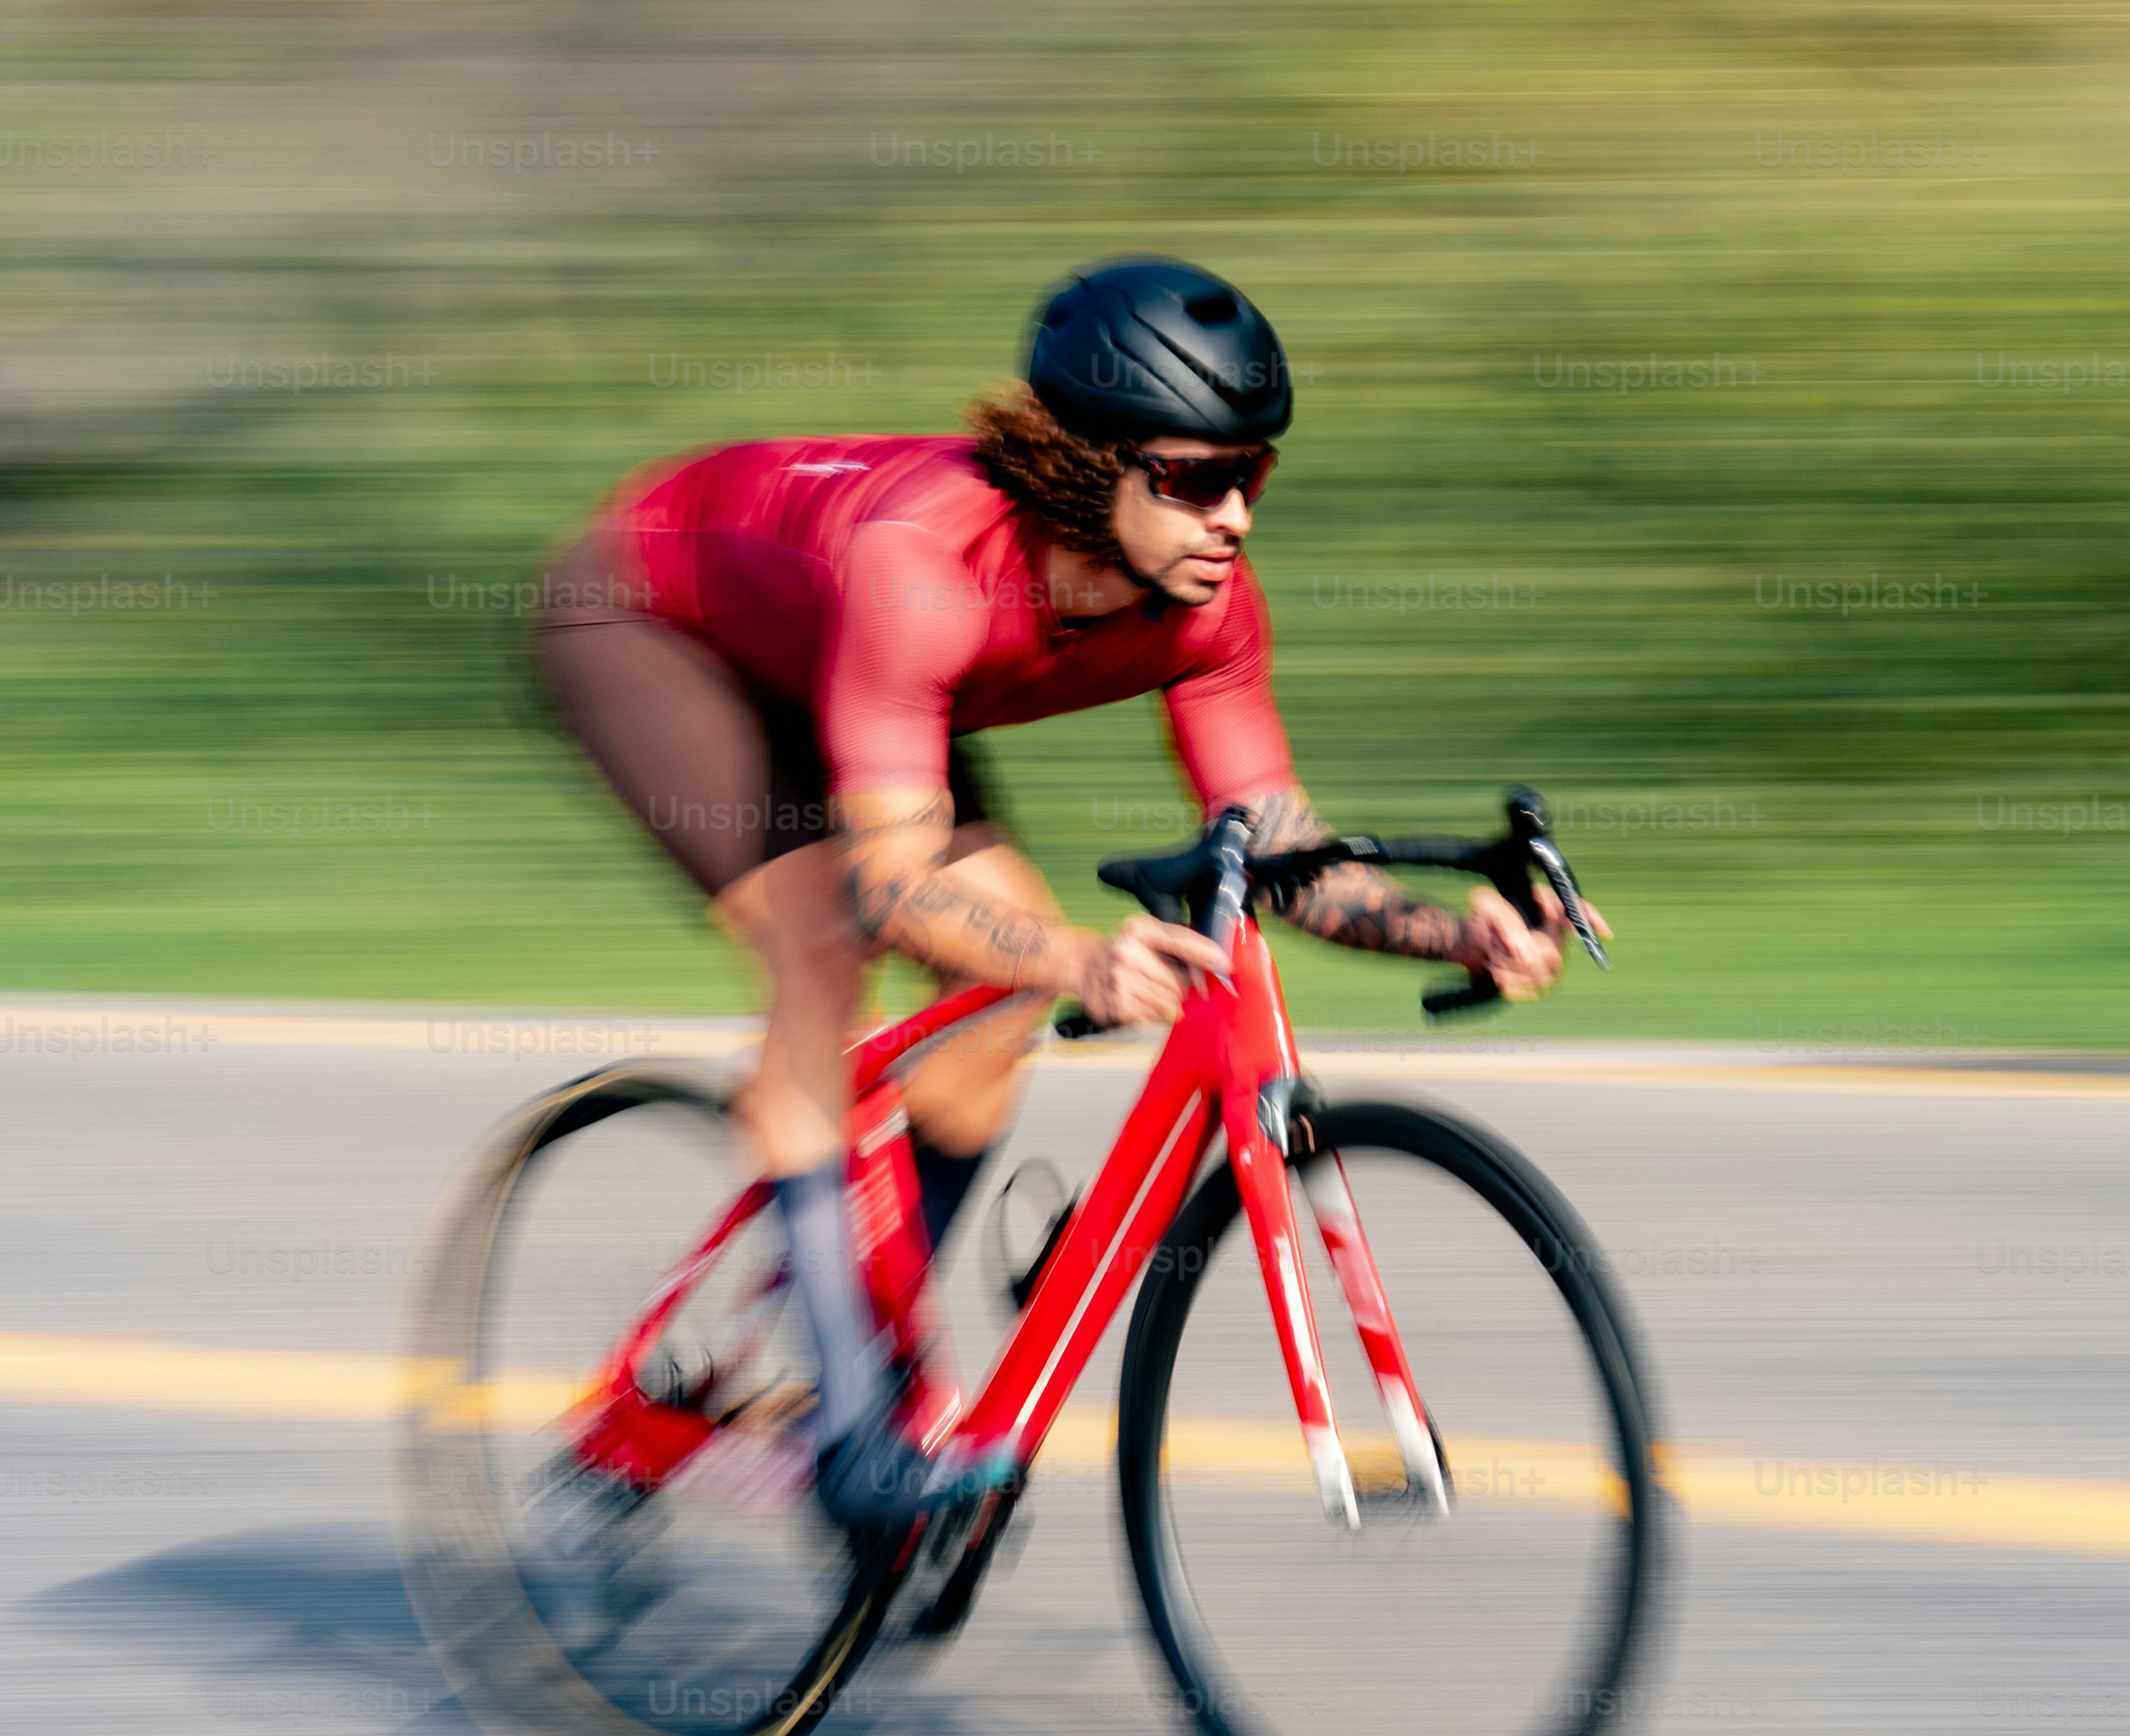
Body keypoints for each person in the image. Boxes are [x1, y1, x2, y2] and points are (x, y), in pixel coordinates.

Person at [530, 257, 1576, 1532]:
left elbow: (1278, 845)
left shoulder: (1207, 604)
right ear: (1088, 462)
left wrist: (1448, 926)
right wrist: (1081, 961)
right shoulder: (923, 564)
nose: (1233, 517)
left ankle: (860, 1334)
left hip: (848, 678)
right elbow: (892, 886)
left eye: (1252, 475)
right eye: (1192, 479)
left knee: (988, 997)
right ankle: (854, 1424)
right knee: (824, 944)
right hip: (655, 626)